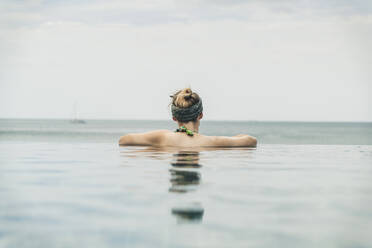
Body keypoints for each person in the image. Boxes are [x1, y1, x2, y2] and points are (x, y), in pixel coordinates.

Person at [118, 88, 257, 147]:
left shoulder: (161, 137)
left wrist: (154, 148)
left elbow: (123, 140)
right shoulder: (211, 141)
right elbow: (251, 141)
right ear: (200, 115)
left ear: (174, 117)